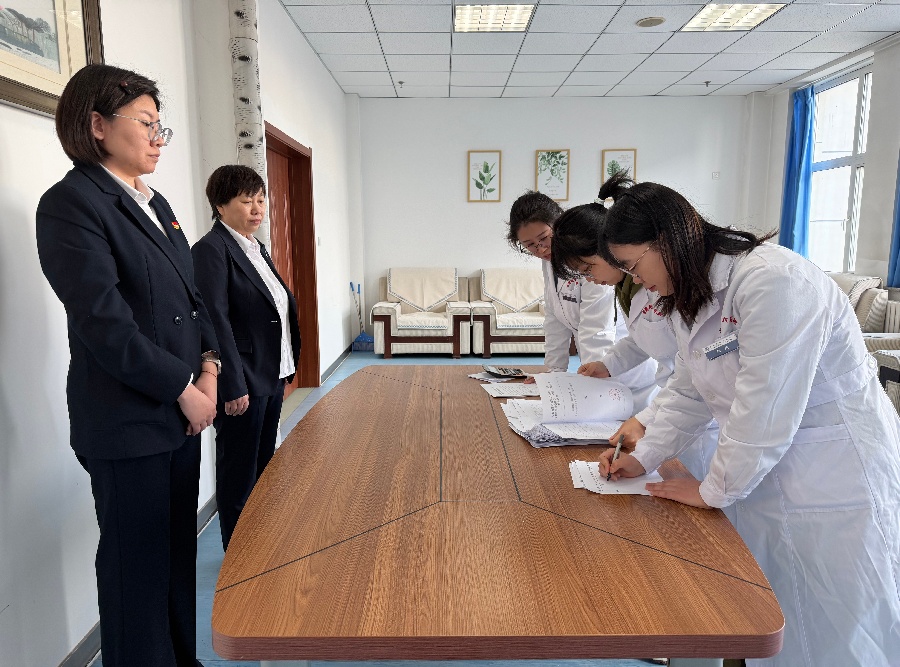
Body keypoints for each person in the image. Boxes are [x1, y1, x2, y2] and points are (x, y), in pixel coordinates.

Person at [596, 179, 900, 666]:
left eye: (634, 265)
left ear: (667, 240)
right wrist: (645, 455)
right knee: (777, 612)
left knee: (844, 621)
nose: (637, 280)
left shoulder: (774, 282)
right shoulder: (690, 295)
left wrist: (712, 490)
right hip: (769, 471)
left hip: (835, 472)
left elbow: (765, 407)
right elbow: (691, 389)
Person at [36, 64, 219, 666]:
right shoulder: (71, 204)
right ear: (97, 125)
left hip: (181, 414)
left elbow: (191, 299)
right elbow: (104, 324)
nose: (159, 138)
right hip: (128, 420)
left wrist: (209, 368)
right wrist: (183, 388)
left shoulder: (154, 202)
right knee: (134, 571)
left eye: (162, 126)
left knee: (175, 556)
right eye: (146, 124)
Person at [549, 173, 718, 483]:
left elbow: (694, 375)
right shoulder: (632, 286)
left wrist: (646, 420)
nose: (590, 280)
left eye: (588, 268)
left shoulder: (662, 283)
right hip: (677, 405)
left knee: (703, 490)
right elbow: (643, 340)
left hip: (695, 412)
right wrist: (608, 364)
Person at [192, 165, 301, 551]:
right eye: (246, 200)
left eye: (261, 199)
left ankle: (259, 547)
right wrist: (231, 383)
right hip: (243, 381)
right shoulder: (211, 250)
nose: (257, 209)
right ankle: (238, 558)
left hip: (270, 374)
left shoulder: (255, 248)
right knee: (238, 474)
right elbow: (214, 320)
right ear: (221, 206)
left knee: (264, 468)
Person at [506, 191, 657, 410]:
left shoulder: (593, 258)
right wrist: (554, 373)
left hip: (626, 374)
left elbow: (596, 330)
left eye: (544, 238)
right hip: (611, 364)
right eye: (530, 245)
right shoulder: (551, 262)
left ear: (558, 225)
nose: (541, 249)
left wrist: (591, 387)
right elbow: (555, 317)